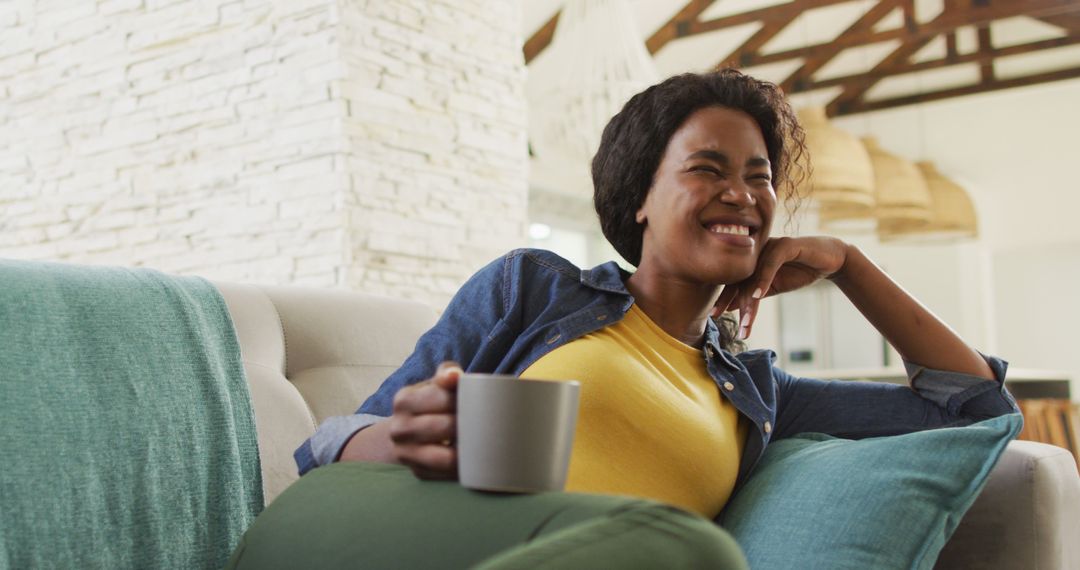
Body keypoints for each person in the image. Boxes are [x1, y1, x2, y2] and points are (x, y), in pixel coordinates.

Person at [234, 69, 1018, 569]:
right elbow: (327, 449)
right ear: (639, 196)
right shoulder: (532, 290)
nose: (743, 193)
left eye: (760, 177)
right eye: (708, 169)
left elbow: (974, 407)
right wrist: (400, 437)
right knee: (690, 553)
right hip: (420, 541)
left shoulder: (760, 396)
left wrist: (851, 265)